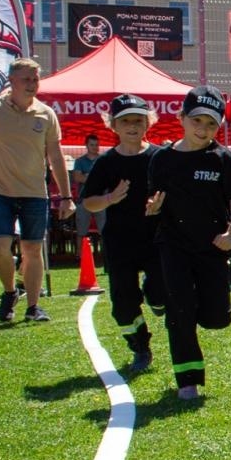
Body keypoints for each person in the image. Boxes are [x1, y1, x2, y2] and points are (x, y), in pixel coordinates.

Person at [146, 85, 231, 399]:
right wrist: (151, 209)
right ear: (181, 118)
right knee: (181, 312)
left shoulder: (222, 159)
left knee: (216, 318)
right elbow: (152, 202)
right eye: (197, 120)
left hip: (212, 248)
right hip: (173, 244)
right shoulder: (161, 159)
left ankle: (158, 293)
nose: (203, 129)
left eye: (211, 123)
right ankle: (188, 381)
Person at [0, 57, 73, 323]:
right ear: (11, 81)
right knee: (0, 248)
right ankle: (10, 291)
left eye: (35, 79)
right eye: (26, 79)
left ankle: (33, 306)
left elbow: (56, 157)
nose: (32, 84)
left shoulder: (46, 114)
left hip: (35, 193)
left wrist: (67, 196)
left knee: (32, 250)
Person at [79, 95, 166, 372]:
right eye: (125, 120)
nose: (132, 126)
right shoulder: (106, 162)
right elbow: (88, 201)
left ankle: (156, 299)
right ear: (113, 125)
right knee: (123, 304)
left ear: (148, 122)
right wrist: (110, 199)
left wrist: (160, 204)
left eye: (138, 120)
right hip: (119, 239)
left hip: (156, 237)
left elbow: (175, 192)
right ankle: (141, 346)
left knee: (161, 292)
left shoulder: (159, 157)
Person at [71, 134, 104, 242]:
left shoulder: (104, 160)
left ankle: (106, 257)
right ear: (86, 145)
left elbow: (107, 179)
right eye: (92, 145)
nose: (94, 147)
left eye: (96, 145)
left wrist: (86, 176)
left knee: (104, 231)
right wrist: (95, 178)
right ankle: (79, 256)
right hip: (83, 199)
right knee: (81, 231)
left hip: (101, 200)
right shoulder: (79, 161)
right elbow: (77, 177)